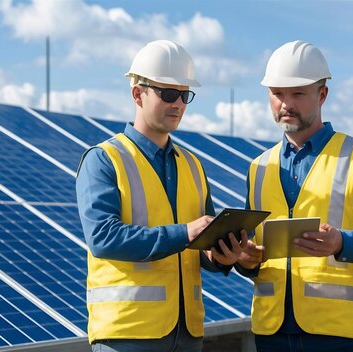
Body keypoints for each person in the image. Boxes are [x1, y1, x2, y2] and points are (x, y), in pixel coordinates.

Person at [76, 40, 247, 352]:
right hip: (128, 335)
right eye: (168, 93)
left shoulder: (193, 166)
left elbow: (200, 244)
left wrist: (221, 256)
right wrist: (185, 233)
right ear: (137, 94)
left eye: (185, 95)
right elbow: (102, 238)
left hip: (187, 334)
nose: (179, 104)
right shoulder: (104, 159)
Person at [237, 40, 353, 351]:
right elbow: (254, 250)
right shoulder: (258, 167)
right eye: (277, 94)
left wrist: (342, 242)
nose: (286, 103)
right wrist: (245, 260)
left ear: (322, 94)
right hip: (272, 332)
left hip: (339, 334)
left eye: (298, 93)